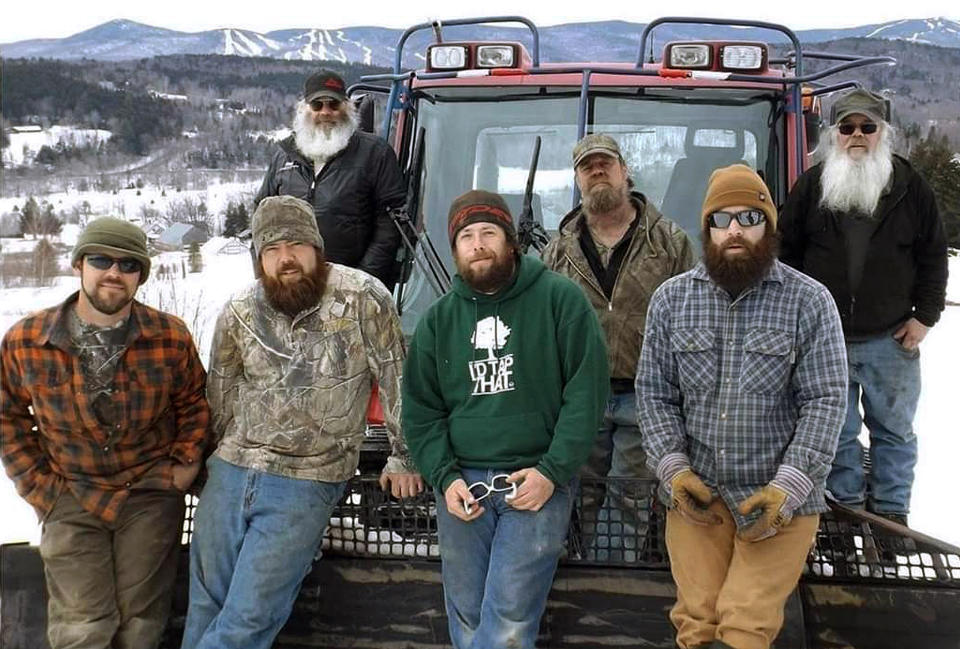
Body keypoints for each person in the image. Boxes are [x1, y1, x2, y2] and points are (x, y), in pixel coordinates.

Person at [181, 195, 422, 649]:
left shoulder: (363, 298)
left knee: (249, 616)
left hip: (307, 476)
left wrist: (403, 454)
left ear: (317, 247)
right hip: (231, 471)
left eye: (295, 245)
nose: (285, 258)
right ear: (259, 260)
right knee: (206, 605)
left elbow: (398, 380)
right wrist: (205, 462)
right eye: (271, 250)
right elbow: (222, 394)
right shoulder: (237, 311)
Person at [638, 165, 848, 649]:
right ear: (706, 228)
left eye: (749, 216)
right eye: (721, 218)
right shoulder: (671, 301)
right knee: (697, 623)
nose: (734, 229)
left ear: (769, 226)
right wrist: (673, 468)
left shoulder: (809, 302)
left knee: (743, 628)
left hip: (779, 502)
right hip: (700, 498)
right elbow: (655, 394)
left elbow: (826, 400)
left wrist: (787, 486)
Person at [402, 190, 609, 649]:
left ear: (511, 242)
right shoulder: (437, 322)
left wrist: (552, 472)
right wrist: (445, 477)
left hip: (534, 480)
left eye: (489, 233)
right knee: (467, 613)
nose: (478, 245)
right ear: (454, 250)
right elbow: (421, 411)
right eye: (467, 237)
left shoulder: (560, 301)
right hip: (463, 487)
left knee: (511, 616)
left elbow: (586, 394)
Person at [1, 217, 210, 649]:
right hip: (72, 492)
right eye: (101, 259)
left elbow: (194, 402)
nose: (114, 272)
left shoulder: (169, 336)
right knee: (82, 626)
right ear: (80, 265)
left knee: (141, 624)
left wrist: (185, 464)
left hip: (150, 491)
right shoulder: (27, 339)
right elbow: (7, 416)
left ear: (140, 276)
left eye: (129, 265)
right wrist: (41, 488)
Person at [779, 88, 948, 525]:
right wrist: (797, 318)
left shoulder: (912, 188)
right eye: (847, 127)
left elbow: (933, 255)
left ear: (882, 133)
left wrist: (924, 317)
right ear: (834, 135)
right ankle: (849, 513)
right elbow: (787, 253)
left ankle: (891, 520)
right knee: (836, 432)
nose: (857, 135)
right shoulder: (811, 187)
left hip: (890, 338)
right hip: (824, 339)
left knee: (894, 432)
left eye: (867, 127)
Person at [542, 133, 694, 558]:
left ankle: (614, 583)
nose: (597, 172)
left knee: (632, 495)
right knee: (582, 494)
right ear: (577, 179)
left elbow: (694, 316)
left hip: (648, 395)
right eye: (587, 167)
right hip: (580, 395)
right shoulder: (557, 252)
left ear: (625, 171)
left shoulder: (669, 243)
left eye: (605, 163)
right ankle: (588, 577)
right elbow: (540, 325)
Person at [255, 68, 406, 289]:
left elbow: (390, 224)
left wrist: (361, 282)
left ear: (346, 108)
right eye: (317, 105)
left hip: (353, 290)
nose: (326, 112)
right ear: (305, 109)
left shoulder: (375, 153)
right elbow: (260, 217)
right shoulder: (284, 155)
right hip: (293, 288)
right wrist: (266, 277)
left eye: (333, 105)